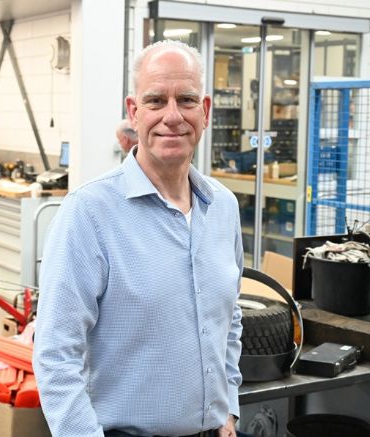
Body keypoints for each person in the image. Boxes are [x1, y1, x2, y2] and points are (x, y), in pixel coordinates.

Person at [34, 40, 243, 437]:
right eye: (155, 101)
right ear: (134, 111)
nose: (172, 116)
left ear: (206, 111)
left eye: (186, 100)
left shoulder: (224, 208)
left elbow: (229, 321)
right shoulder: (89, 213)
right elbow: (56, 355)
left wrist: (228, 406)